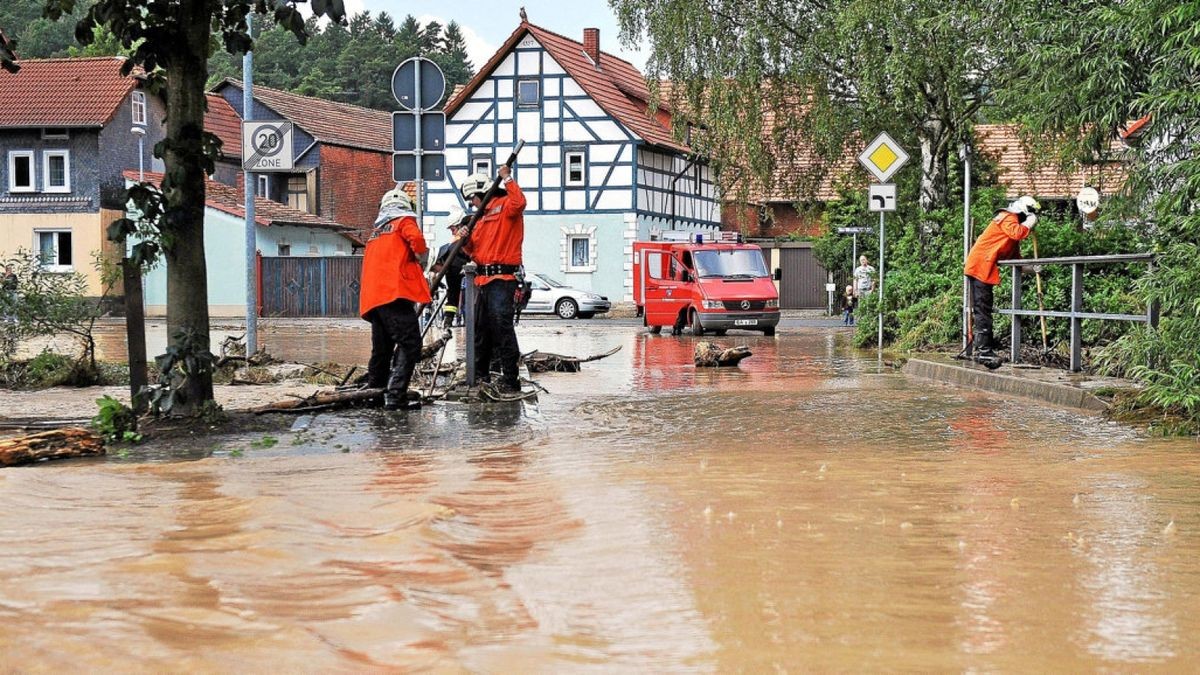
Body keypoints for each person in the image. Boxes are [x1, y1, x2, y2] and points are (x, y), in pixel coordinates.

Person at [359, 186, 431, 410]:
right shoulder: (403, 221)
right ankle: (395, 396)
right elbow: (417, 241)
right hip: (394, 294)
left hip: (374, 300)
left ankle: (374, 394)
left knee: (381, 349)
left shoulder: (376, 233)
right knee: (411, 344)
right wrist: (420, 257)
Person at [461, 164, 526, 393]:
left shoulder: (506, 205)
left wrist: (507, 178)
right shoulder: (478, 220)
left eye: (472, 199)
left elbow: (520, 203)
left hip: (502, 279)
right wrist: (465, 239)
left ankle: (510, 378)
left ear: (480, 194)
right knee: (481, 330)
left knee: (502, 326)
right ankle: (481, 376)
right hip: (482, 281)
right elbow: (474, 252)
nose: (471, 204)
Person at [964, 195, 1040, 358]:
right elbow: (1018, 233)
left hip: (984, 266)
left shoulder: (1011, 233)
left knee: (984, 306)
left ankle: (984, 346)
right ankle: (984, 350)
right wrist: (1030, 221)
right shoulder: (1008, 217)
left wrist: (1032, 269)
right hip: (980, 266)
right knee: (982, 307)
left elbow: (1014, 260)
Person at [431, 207, 471, 329]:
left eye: (453, 229)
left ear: (460, 226)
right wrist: (448, 316)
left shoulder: (458, 247)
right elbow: (452, 292)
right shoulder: (452, 250)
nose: (452, 233)